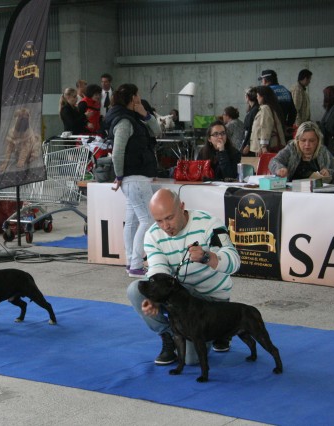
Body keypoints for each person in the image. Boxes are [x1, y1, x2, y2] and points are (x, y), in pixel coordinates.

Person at [126, 188, 240, 365]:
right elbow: (158, 271)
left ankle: (222, 328)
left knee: (191, 361)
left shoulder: (209, 224)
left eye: (169, 218)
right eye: (159, 221)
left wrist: (207, 257)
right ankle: (169, 336)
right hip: (182, 298)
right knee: (136, 289)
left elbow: (235, 262)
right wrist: (153, 299)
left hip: (210, 302)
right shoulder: (152, 235)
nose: (165, 226)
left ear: (182, 207)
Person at [104, 83, 160, 279]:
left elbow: (157, 131)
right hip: (134, 178)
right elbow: (117, 152)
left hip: (133, 178)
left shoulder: (133, 118)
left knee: (133, 222)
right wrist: (119, 176)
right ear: (132, 97)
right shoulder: (124, 121)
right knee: (148, 220)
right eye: (138, 94)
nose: (140, 97)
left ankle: (131, 262)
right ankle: (136, 264)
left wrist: (145, 113)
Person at [269, 121, 334, 183]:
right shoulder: (291, 149)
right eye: (303, 140)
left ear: (318, 141)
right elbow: (274, 161)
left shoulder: (323, 152)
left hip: (317, 193)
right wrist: (280, 169)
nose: (307, 144)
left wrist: (330, 173)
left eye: (312, 141)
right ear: (297, 140)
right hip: (293, 191)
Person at [249, 85, 286, 156]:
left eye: (258, 95)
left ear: (263, 96)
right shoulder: (271, 107)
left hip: (267, 147)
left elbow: (265, 126)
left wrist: (263, 146)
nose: (257, 98)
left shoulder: (265, 108)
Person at [240, 87, 259, 156]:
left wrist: (248, 144)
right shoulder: (253, 110)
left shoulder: (255, 110)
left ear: (247, 97)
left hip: (251, 145)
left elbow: (253, 129)